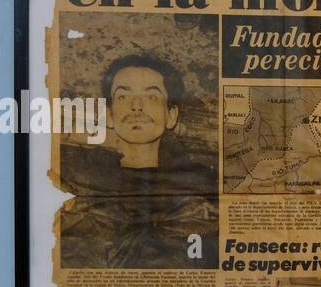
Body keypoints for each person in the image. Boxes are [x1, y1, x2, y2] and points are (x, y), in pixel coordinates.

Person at [59, 53, 218, 269]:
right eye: (123, 96)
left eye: (151, 96)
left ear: (171, 116)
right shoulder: (76, 186)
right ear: (110, 116)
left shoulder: (203, 187)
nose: (136, 106)